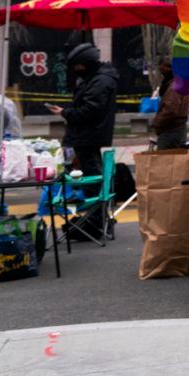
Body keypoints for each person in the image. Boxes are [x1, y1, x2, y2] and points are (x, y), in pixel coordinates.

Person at [47, 43, 119, 240]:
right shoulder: (96, 79)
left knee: (91, 180)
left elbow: (90, 110)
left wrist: (66, 113)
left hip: (88, 135)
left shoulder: (100, 81)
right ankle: (96, 220)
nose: (75, 71)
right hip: (87, 136)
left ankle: (95, 222)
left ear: (85, 64)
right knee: (90, 180)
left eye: (77, 66)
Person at [150, 60, 189, 150]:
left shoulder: (174, 87)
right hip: (176, 130)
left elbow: (170, 109)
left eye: (162, 73)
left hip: (171, 131)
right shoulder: (179, 84)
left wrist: (157, 122)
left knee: (165, 161)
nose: (161, 76)